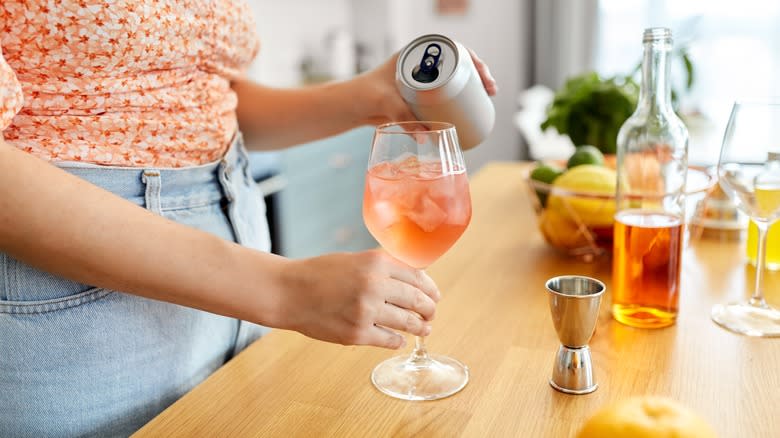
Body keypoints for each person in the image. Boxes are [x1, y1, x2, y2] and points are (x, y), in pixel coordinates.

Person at [0, 1, 497, 436]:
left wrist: (369, 96)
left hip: (236, 248)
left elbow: (205, 97)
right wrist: (284, 288)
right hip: (81, 294)